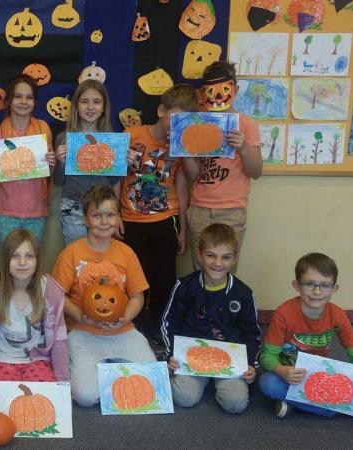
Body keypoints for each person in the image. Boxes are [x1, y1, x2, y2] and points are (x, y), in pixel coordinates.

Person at [259, 252, 353, 429]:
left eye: (325, 285)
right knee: (268, 384)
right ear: (296, 286)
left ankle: (297, 404)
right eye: (309, 284)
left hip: (320, 375)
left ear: (334, 289)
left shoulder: (337, 315)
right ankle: (348, 410)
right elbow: (267, 357)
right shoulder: (283, 314)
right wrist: (282, 371)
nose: (317, 292)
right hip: (290, 376)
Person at [51, 184, 155, 407]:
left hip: (122, 330)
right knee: (86, 397)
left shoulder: (126, 253)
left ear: (118, 218)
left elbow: (137, 297)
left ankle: (105, 367)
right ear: (85, 220)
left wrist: (125, 318)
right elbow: (56, 295)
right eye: (96, 215)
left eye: (110, 215)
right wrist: (80, 315)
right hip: (83, 331)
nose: (104, 221)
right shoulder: (71, 253)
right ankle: (101, 367)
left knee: (152, 381)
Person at [120, 83, 196, 343]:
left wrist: (183, 228)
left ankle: (158, 332)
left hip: (165, 220)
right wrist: (116, 213)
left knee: (163, 280)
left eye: (185, 121)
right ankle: (136, 330)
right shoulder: (132, 134)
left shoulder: (180, 145)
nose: (178, 125)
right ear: (161, 110)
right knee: (135, 279)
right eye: (175, 117)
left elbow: (184, 184)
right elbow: (116, 175)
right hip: (131, 220)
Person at [161, 223, 261, 413]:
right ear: (199, 254)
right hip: (191, 358)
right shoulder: (184, 287)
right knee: (184, 398)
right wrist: (171, 355)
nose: (218, 263)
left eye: (226, 257)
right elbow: (169, 323)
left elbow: (252, 333)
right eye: (211, 255)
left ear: (235, 258)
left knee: (235, 403)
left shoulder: (243, 294)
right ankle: (189, 379)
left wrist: (250, 364)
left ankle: (218, 383)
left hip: (230, 360)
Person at [0, 229, 69, 416]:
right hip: (2, 359)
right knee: (6, 409)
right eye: (15, 256)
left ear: (37, 259)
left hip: (37, 359)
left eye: (29, 256)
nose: (22, 262)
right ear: (5, 259)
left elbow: (59, 342)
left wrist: (63, 385)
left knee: (42, 406)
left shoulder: (50, 290)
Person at [181, 61, 263, 271]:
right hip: (199, 208)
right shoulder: (197, 123)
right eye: (211, 90)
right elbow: (194, 174)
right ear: (203, 93)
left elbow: (256, 172)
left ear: (235, 90)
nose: (217, 96)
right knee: (200, 270)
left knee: (225, 270)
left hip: (231, 210)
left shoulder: (246, 124)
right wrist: (185, 149)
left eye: (224, 89)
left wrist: (243, 147)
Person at [0, 75, 56, 244]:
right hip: (5, 210)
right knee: (9, 256)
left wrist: (51, 162)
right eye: (18, 96)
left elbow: (48, 171)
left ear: (35, 102)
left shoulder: (43, 128)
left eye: (29, 97)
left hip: (36, 209)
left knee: (32, 255)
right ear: (9, 100)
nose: (24, 101)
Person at [54, 79, 122, 245]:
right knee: (78, 253)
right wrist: (61, 163)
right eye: (84, 102)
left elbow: (115, 181)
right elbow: (59, 181)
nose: (90, 107)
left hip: (104, 208)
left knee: (101, 253)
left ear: (103, 107)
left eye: (96, 102)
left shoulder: (112, 141)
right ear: (76, 106)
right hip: (73, 207)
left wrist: (116, 211)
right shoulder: (64, 139)